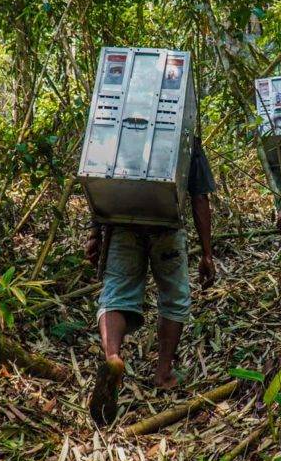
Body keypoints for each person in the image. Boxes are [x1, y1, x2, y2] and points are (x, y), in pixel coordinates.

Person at [85, 136, 216, 426]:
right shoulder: (183, 131)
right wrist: (207, 254)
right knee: (173, 296)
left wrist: (95, 231)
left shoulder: (119, 128)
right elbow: (199, 197)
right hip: (167, 225)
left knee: (116, 293)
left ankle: (112, 356)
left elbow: (98, 177)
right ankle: (164, 372)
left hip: (121, 222)